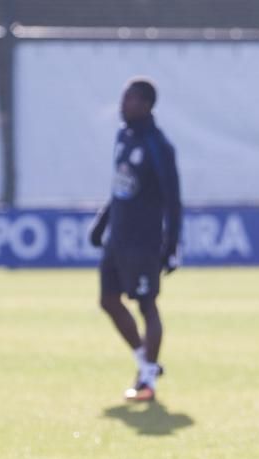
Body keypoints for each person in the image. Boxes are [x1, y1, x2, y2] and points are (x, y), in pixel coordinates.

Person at [89, 77, 182, 402]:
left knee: (146, 305)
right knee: (108, 301)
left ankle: (147, 382)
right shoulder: (123, 137)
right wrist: (102, 224)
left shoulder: (158, 145)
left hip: (144, 242)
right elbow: (119, 187)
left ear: (145, 105)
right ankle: (147, 363)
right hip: (118, 238)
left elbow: (173, 199)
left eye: (128, 99)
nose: (122, 104)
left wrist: (171, 245)